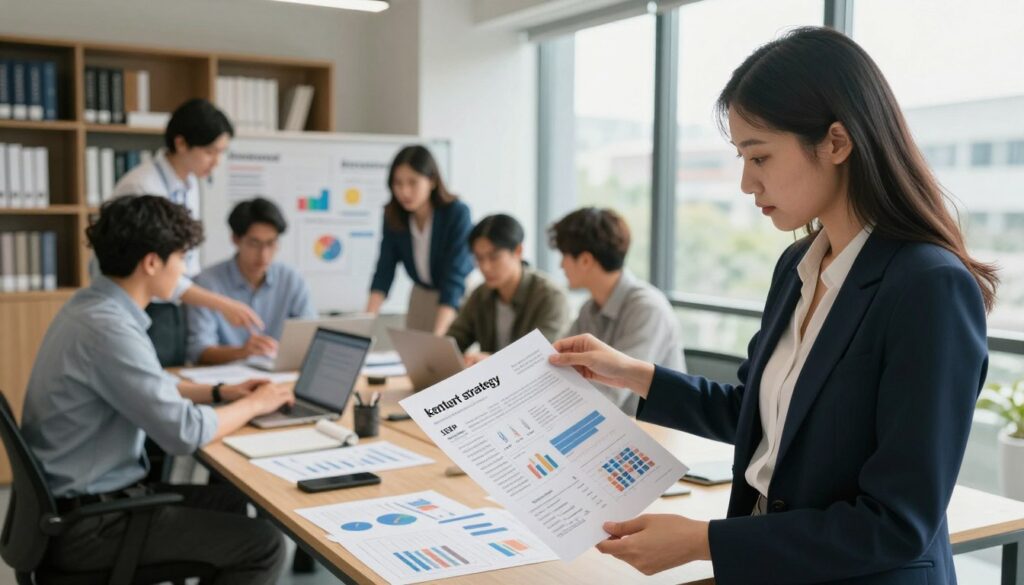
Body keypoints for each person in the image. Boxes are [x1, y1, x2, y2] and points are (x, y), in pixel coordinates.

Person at [548, 27, 996, 585]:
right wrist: (632, 372)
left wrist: (703, 542)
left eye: (759, 156)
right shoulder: (798, 267)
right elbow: (760, 416)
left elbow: (896, 524)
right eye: (741, 156)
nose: (744, 182)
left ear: (836, 142)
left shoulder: (928, 287)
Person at [21, 195, 295, 583]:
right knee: (263, 544)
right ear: (152, 263)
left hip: (75, 509)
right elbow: (184, 433)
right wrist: (255, 404)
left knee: (230, 501)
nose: (184, 273)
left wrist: (221, 393)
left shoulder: (92, 307)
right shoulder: (109, 330)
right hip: (91, 527)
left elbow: (150, 384)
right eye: (181, 259)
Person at [113, 98, 262, 365]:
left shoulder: (190, 184)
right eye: (210, 151)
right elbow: (154, 268)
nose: (216, 162)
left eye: (221, 152)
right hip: (144, 306)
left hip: (174, 306)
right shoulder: (142, 189)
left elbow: (184, 263)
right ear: (181, 143)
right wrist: (221, 304)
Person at [548, 207, 684, 415]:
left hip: (654, 432)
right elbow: (560, 362)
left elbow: (613, 390)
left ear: (585, 260)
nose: (560, 265)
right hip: (611, 425)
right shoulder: (589, 309)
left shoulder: (647, 309)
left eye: (564, 256)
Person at [187, 197, 317, 365]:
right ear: (235, 239)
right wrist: (242, 352)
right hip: (227, 381)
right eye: (254, 243)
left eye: (271, 243)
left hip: (280, 377)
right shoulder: (207, 282)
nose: (264, 255)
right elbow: (198, 352)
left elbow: (311, 337)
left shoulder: (292, 279)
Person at [366, 145, 473, 336]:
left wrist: (439, 336)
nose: (404, 192)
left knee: (447, 356)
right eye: (397, 183)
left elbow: (454, 278)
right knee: (416, 359)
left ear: (431, 181)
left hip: (457, 296)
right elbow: (384, 271)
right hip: (421, 294)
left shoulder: (456, 213)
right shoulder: (394, 216)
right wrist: (364, 326)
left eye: (412, 182)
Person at [447, 214, 570, 366]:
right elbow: (454, 341)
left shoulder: (550, 296)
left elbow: (541, 356)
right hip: (492, 385)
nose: (485, 267)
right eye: (479, 258)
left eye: (494, 257)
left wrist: (493, 362)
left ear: (518, 251)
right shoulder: (480, 294)